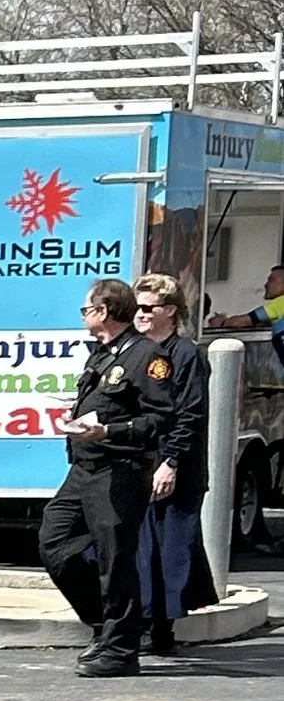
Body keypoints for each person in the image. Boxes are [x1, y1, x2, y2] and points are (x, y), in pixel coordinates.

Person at [38, 278, 165, 678]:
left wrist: (109, 431)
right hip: (84, 468)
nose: (84, 316)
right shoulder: (102, 355)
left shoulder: (147, 356)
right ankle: (106, 626)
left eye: (86, 309)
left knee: (116, 560)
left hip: (119, 471)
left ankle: (121, 650)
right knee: (53, 542)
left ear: (104, 312)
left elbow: (159, 418)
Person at [133, 278, 212, 657]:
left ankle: (162, 628)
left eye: (149, 307)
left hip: (174, 467)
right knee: (142, 548)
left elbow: (190, 413)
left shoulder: (185, 354)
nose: (141, 314)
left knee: (170, 549)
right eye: (138, 307)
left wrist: (171, 461)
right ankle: (144, 619)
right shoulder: (137, 351)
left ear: (170, 311)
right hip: (140, 465)